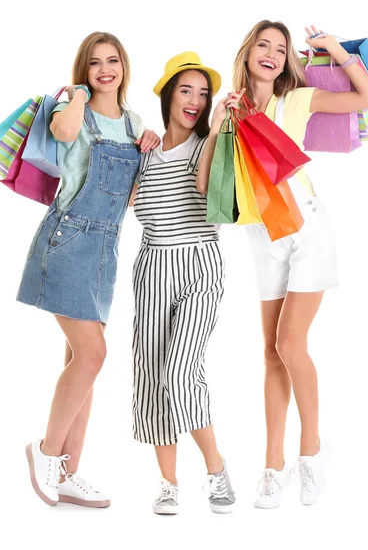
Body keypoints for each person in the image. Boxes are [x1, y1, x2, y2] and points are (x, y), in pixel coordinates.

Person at [197, 22, 368, 507]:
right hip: (262, 237)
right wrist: (218, 125)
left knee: (289, 342)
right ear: (248, 52)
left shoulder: (297, 100)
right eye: (264, 45)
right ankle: (272, 467)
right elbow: (205, 188)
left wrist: (336, 51)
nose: (273, 54)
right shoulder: (231, 111)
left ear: (286, 61)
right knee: (270, 352)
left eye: (281, 49)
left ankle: (312, 451)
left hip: (307, 230)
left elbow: (367, 98)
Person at [17, 31, 159, 508]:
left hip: (106, 247)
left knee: (80, 362)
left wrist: (149, 151)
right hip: (68, 239)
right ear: (85, 69)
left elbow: (130, 200)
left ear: (124, 66)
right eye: (94, 63)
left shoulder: (136, 123)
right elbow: (60, 133)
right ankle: (44, 451)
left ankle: (67, 473)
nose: (105, 69)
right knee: (93, 354)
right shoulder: (74, 110)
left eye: (112, 60)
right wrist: (76, 92)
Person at [130, 52, 239, 515]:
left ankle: (216, 470)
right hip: (152, 265)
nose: (194, 100)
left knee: (180, 370)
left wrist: (214, 129)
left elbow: (201, 188)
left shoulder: (208, 144)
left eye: (202, 92)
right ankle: (169, 483)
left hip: (198, 262)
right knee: (153, 375)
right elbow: (128, 203)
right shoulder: (147, 149)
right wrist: (138, 146)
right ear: (167, 95)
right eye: (185, 90)